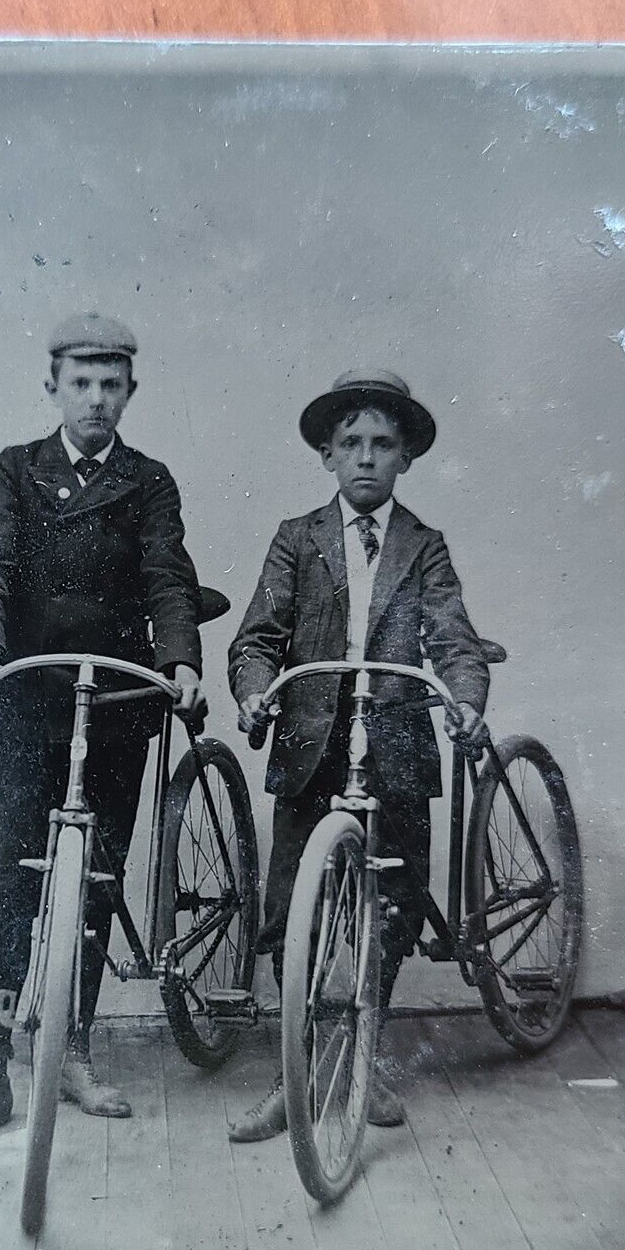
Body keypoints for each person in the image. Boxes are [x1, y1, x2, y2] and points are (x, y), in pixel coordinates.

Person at [0, 312, 205, 1150]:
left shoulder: (149, 481)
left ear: (129, 390)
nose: (95, 400)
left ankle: (76, 1049)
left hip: (120, 703)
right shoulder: (15, 472)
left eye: (111, 385)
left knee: (96, 880)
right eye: (80, 383)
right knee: (11, 884)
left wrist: (182, 660)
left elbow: (169, 576)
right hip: (27, 703)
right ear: (52, 386)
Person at [226, 369, 490, 1142]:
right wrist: (254, 690)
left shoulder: (423, 547)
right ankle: (295, 1073)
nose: (366, 458)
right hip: (314, 745)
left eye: (382, 444)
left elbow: (451, 636)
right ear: (326, 456)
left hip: (397, 746)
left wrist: (464, 696)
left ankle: (365, 1053)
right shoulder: (296, 538)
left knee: (394, 907)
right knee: (289, 913)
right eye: (351, 444)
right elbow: (258, 636)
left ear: (405, 456)